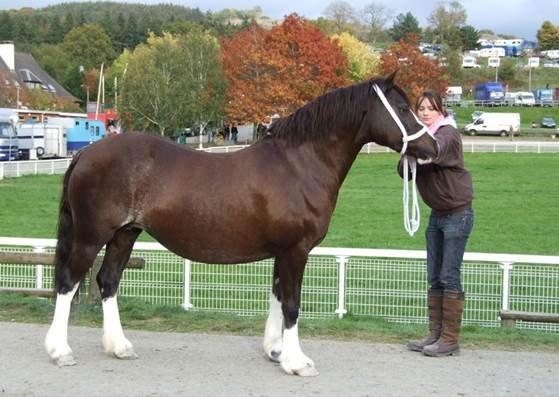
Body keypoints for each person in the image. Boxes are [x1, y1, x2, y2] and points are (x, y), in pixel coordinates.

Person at [398, 90, 474, 357]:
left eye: (430, 108)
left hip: (457, 213)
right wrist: (407, 151)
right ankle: (435, 334)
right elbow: (403, 171)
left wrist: (408, 145)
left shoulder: (447, 134)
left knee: (448, 275)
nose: (425, 112)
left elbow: (433, 150)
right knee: (434, 276)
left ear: (440, 110)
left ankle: (450, 339)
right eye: (421, 108)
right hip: (437, 214)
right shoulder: (422, 137)